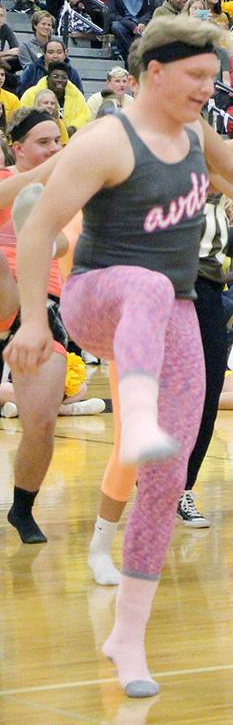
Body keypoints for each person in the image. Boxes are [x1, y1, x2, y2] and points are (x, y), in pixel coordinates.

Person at [3, 16, 233, 697]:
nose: (207, 91)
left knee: (167, 470)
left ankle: (127, 635)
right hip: (101, 296)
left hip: (171, 308)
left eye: (214, 80)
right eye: (197, 79)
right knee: (148, 284)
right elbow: (37, 225)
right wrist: (34, 321)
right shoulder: (105, 141)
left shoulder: (194, 133)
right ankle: (137, 409)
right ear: (155, 72)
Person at [2, 107, 69, 544]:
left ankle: (22, 507)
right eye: (43, 142)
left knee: (42, 421)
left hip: (40, 303)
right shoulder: (9, 178)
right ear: (17, 148)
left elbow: (65, 242)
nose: (54, 148)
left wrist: (45, 237)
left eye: (58, 141)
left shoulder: (66, 189)